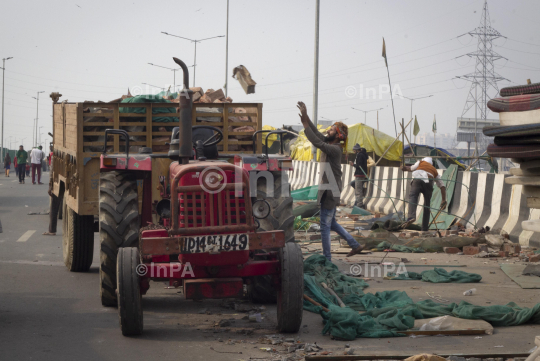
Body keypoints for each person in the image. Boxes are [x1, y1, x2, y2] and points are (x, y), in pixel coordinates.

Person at [297, 101, 364, 261]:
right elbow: (319, 136)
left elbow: (317, 141)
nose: (328, 130)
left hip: (330, 190)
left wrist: (305, 123)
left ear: (338, 135)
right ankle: (355, 245)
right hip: (329, 189)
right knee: (331, 223)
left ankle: (327, 259)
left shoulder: (334, 149)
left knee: (325, 226)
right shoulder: (330, 143)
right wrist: (306, 119)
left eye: (332, 129)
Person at [401, 157, 447, 231]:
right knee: (427, 205)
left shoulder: (420, 162)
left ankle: (411, 217)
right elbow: (442, 185)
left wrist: (404, 168)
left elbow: (411, 168)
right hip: (429, 182)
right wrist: (444, 200)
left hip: (418, 179)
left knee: (413, 196)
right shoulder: (434, 170)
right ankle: (424, 228)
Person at [349, 144, 370, 209]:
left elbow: (359, 166)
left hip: (359, 174)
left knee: (358, 190)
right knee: (358, 189)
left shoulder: (360, 155)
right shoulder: (362, 155)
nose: (353, 151)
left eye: (354, 149)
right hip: (362, 174)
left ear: (356, 149)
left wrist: (353, 164)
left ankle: (359, 205)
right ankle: (358, 204)